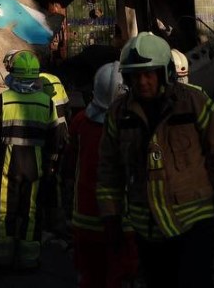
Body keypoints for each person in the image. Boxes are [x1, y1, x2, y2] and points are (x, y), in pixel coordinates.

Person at [98, 32, 214, 288]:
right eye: (135, 75)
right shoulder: (118, 115)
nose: (142, 82)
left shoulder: (194, 103)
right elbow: (108, 171)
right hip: (147, 230)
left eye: (149, 74)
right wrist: (111, 217)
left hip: (193, 224)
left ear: (165, 72)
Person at [67, 62, 138, 288]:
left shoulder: (80, 122)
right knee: (119, 277)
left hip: (84, 219)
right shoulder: (134, 126)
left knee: (89, 278)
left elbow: (68, 167)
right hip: (123, 222)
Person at [0, 50, 59, 270]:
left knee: (4, 211)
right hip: (35, 167)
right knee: (31, 213)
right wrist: (50, 166)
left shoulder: (3, 100)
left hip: (8, 165)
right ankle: (29, 259)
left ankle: (3, 258)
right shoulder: (47, 102)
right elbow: (54, 140)